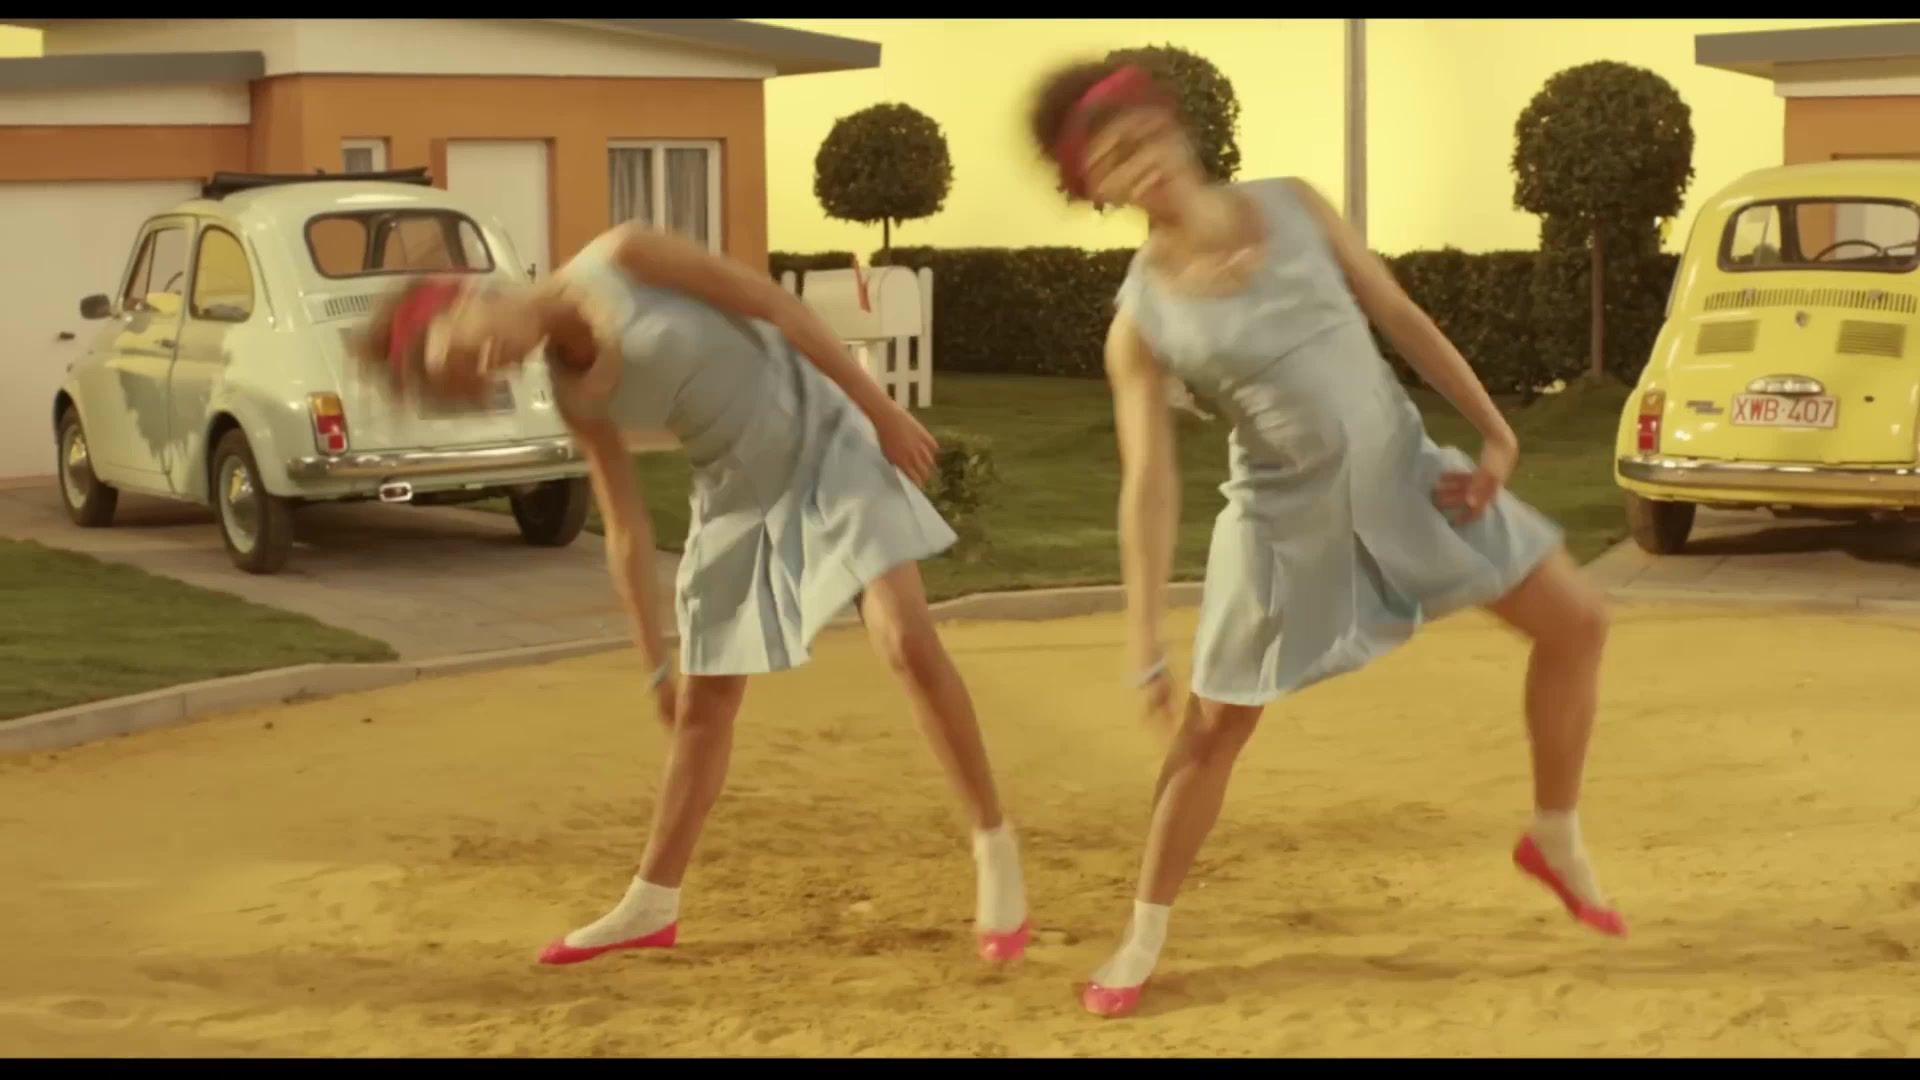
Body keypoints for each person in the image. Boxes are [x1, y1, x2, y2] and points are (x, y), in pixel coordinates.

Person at [1025, 62, 1622, 1019]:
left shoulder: (1295, 205)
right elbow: (1149, 484)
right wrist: (1144, 640)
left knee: (1578, 621)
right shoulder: (1141, 321)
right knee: (1215, 731)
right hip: (1281, 528)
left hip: (1408, 478)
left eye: (1139, 141)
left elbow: (1398, 315)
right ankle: (1141, 937)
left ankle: (1554, 835)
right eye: (1110, 167)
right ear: (1095, 193)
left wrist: (1496, 433)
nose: (1138, 168)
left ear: (1174, 126)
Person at [353, 226, 1029, 968]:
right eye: (478, 379)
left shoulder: (625, 256)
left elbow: (776, 306)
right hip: (735, 492)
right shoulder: (574, 393)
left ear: (468, 298)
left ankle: (994, 846)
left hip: (822, 436)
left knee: (903, 639)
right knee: (705, 707)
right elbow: (625, 528)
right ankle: (651, 904)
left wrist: (880, 410)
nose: (494, 365)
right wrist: (654, 665)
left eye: (472, 352)